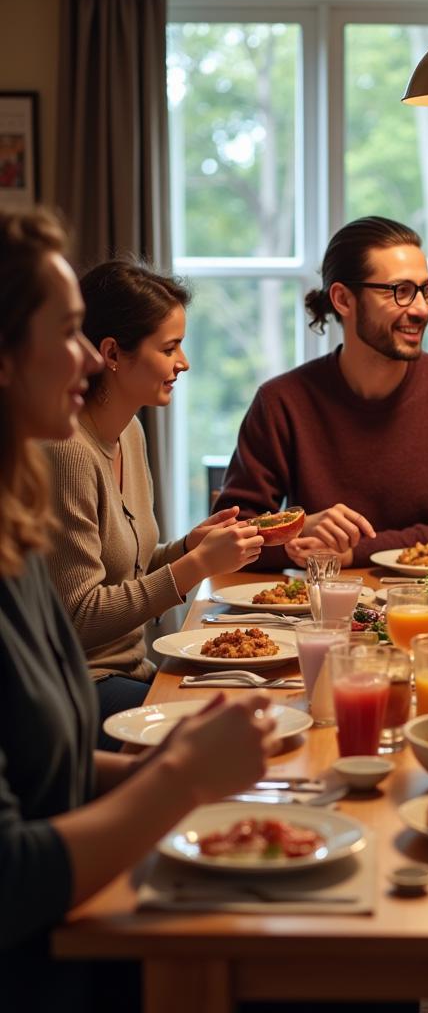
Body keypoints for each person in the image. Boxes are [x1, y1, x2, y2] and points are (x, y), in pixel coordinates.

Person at [0, 208, 278, 1009]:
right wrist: (181, 776)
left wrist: (160, 769)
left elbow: (44, 771)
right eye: (69, 333)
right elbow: (13, 874)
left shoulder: (13, 527)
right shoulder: (57, 463)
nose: (88, 359)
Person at [214, 216, 428, 569]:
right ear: (343, 299)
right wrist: (298, 533)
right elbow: (227, 537)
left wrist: (353, 551)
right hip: (319, 617)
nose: (421, 308)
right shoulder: (281, 402)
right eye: (400, 291)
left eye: (424, 289)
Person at [44, 260, 264, 745]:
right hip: (82, 690)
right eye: (169, 348)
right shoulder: (68, 453)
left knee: (263, 702)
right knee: (238, 730)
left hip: (134, 673)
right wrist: (193, 568)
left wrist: (188, 547)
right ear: (112, 354)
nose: (183, 362)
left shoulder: (131, 432)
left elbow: (128, 572)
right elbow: (77, 618)